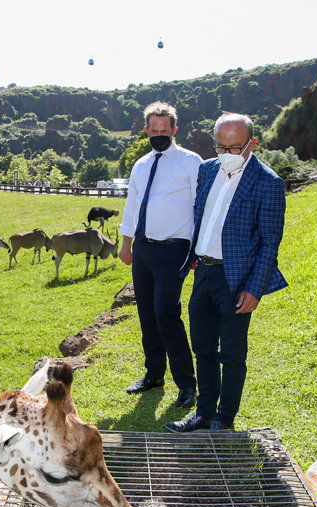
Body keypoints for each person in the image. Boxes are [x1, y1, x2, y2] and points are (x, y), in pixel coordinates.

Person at [165, 113, 287, 433]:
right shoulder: (206, 170)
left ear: (252, 143)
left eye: (234, 147)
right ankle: (203, 413)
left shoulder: (268, 182)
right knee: (203, 348)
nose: (226, 153)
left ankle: (225, 419)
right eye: (220, 146)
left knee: (231, 353)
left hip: (237, 279)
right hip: (203, 272)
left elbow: (270, 242)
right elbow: (199, 216)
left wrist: (255, 288)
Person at [119, 101, 200, 408]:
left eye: (164, 130)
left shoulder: (191, 162)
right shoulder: (140, 165)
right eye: (154, 131)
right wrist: (127, 244)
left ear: (174, 130)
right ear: (146, 131)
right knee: (147, 315)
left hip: (174, 249)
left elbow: (199, 207)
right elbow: (131, 205)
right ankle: (154, 374)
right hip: (143, 248)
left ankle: (186, 383)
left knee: (167, 313)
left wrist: (196, 248)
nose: (159, 135)